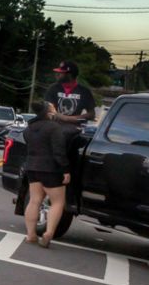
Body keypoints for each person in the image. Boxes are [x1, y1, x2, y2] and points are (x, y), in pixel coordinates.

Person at [22, 101, 70, 248]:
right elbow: (59, 151)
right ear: (48, 112)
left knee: (34, 200)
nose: (55, 111)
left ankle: (31, 235)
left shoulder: (29, 128)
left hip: (32, 168)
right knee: (58, 202)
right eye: (53, 109)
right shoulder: (54, 128)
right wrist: (65, 170)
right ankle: (48, 234)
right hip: (51, 169)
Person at [44, 60, 96, 126]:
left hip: (74, 129)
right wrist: (62, 117)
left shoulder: (84, 91)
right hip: (54, 127)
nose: (57, 74)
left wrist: (72, 118)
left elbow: (91, 113)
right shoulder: (53, 88)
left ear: (69, 75)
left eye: (61, 73)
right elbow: (47, 108)